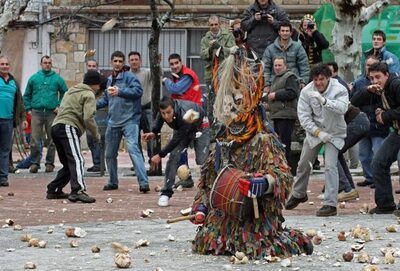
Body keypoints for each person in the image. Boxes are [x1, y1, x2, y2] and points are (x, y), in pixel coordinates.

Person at [285, 64, 349, 217]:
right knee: (303, 163)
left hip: (334, 132)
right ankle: (299, 193)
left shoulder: (339, 89)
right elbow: (304, 117)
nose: (319, 83)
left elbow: (343, 108)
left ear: (328, 78)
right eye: (315, 80)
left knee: (330, 166)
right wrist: (318, 132)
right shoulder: (306, 91)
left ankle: (330, 204)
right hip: (315, 132)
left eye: (322, 79)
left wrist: (325, 101)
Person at [97, 51, 149, 193]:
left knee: (133, 150)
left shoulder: (129, 77)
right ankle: (112, 181)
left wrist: (121, 91)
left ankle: (144, 183)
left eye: (120, 61)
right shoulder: (109, 80)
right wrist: (91, 104)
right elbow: (106, 100)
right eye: (115, 61)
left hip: (130, 120)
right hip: (113, 122)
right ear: (111, 62)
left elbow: (138, 92)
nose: (118, 64)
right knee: (109, 154)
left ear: (123, 62)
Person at [351, 62, 400, 214]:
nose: (375, 81)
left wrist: (385, 116)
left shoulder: (396, 85)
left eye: (378, 77)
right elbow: (354, 102)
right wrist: (367, 90)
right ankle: (385, 205)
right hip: (397, 132)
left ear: (387, 74)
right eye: (372, 78)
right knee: (378, 162)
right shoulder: (377, 89)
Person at [142, 97, 209, 207]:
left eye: (168, 112)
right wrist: (153, 133)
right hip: (182, 128)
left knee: (202, 160)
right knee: (173, 157)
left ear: (174, 109)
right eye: (163, 113)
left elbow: (177, 138)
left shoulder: (185, 113)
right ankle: (166, 193)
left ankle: (208, 190)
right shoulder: (163, 113)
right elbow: (158, 122)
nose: (166, 116)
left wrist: (160, 154)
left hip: (200, 127)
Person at [46, 71, 101, 203]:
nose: (99, 88)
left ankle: (53, 189)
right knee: (77, 161)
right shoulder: (89, 94)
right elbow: (88, 118)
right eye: (99, 85)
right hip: (68, 126)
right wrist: (96, 135)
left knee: (68, 164)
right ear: (95, 84)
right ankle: (78, 190)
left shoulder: (70, 91)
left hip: (56, 127)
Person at [162, 53, 210, 188]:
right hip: (184, 118)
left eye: (176, 63)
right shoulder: (177, 77)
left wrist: (165, 81)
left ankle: (208, 179)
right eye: (171, 64)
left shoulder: (187, 75)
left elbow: (175, 89)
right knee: (179, 150)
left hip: (195, 117)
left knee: (201, 156)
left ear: (181, 62)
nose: (174, 66)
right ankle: (186, 178)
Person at [23, 55, 68, 173]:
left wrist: (59, 106)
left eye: (49, 62)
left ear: (51, 64)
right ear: (41, 64)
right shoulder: (34, 78)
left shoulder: (57, 79)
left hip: (51, 113)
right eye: (45, 62)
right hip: (36, 112)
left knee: (53, 139)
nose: (47, 64)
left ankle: (50, 163)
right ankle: (35, 163)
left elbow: (66, 93)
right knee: (34, 139)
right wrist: (28, 109)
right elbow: (26, 95)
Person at [351, 56, 388, 188]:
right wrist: (366, 91)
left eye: (373, 65)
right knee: (364, 155)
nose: (370, 68)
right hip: (363, 123)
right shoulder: (359, 82)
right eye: (368, 65)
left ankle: (379, 179)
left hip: (379, 124)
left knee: (379, 155)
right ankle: (370, 177)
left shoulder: (386, 82)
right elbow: (353, 101)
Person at [200, 15, 235, 127]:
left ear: (219, 24)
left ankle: (226, 126)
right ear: (209, 26)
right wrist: (210, 48)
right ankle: (213, 128)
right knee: (212, 102)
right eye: (211, 25)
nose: (214, 27)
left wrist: (219, 47)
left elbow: (232, 51)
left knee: (226, 100)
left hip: (225, 73)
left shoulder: (228, 36)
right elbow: (203, 55)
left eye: (216, 24)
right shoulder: (205, 39)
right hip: (211, 75)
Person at [128, 51, 157, 174]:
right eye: (132, 60)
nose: (134, 61)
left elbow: (158, 74)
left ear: (140, 61)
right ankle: (138, 164)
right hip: (132, 110)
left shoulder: (147, 73)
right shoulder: (126, 75)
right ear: (129, 62)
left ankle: (153, 163)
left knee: (150, 136)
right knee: (134, 139)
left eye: (136, 59)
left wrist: (157, 63)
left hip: (147, 108)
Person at [267, 56, 299, 166]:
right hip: (277, 115)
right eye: (275, 65)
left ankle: (287, 168)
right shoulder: (276, 78)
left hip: (286, 116)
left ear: (285, 66)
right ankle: (282, 167)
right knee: (279, 144)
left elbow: (292, 93)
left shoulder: (289, 77)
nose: (277, 67)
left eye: (279, 65)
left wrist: (276, 95)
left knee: (284, 144)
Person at [0, 56, 26, 187]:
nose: (4, 66)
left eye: (6, 64)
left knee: (5, 149)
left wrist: (23, 119)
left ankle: (3, 177)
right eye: (2, 64)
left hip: (8, 120)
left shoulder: (13, 82)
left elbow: (20, 102)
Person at [262, 22, 309, 92]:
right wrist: (266, 84)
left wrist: (303, 82)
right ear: (279, 32)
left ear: (291, 33)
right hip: (275, 83)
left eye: (287, 31)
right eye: (283, 31)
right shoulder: (270, 49)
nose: (285, 33)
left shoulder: (298, 47)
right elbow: (265, 68)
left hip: (294, 82)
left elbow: (304, 66)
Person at [85, 59, 107, 173]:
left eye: (93, 66)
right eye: (89, 65)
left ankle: (99, 164)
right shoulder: (85, 81)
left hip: (101, 113)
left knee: (98, 140)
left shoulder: (102, 80)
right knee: (90, 140)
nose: (91, 68)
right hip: (89, 114)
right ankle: (96, 163)